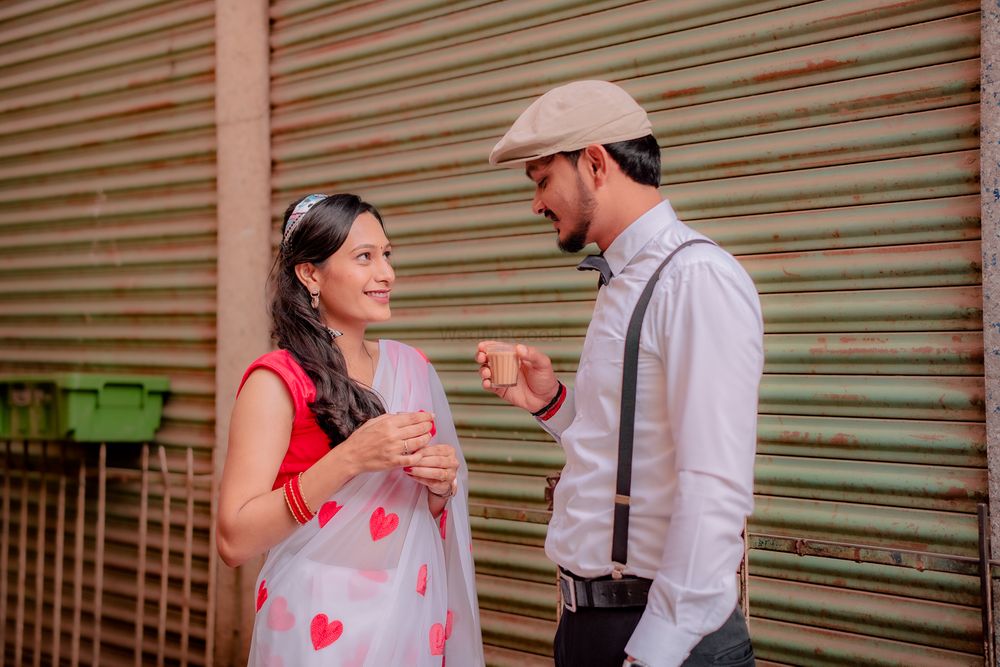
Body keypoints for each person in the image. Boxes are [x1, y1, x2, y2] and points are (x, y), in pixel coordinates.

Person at [476, 81, 763, 667]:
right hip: (595, 627)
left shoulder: (693, 279)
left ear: (596, 163)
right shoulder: (622, 281)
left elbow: (714, 487)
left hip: (658, 637)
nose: (536, 203)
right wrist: (551, 402)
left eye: (541, 180)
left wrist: (654, 651)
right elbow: (626, 446)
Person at [217, 193, 484, 667]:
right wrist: (349, 458)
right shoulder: (277, 380)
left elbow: (417, 510)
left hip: (409, 611)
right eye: (364, 257)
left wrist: (441, 487)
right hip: (313, 617)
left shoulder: (412, 366)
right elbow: (234, 540)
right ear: (310, 274)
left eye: (386, 255)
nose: (386, 274)